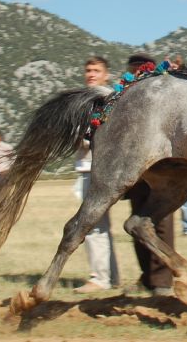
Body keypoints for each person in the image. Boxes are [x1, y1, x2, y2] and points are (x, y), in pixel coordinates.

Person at [120, 52, 178, 297]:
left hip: (158, 168)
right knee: (137, 222)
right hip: (134, 170)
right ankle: (147, 277)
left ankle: (163, 281)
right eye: (134, 70)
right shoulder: (124, 95)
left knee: (159, 222)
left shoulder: (161, 94)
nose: (137, 74)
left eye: (140, 69)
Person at [75, 56, 120, 293]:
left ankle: (100, 278)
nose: (91, 74)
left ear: (106, 74)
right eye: (88, 70)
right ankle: (111, 276)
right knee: (100, 225)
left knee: (93, 225)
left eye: (96, 70)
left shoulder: (101, 99)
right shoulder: (107, 97)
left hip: (95, 167)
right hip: (94, 166)